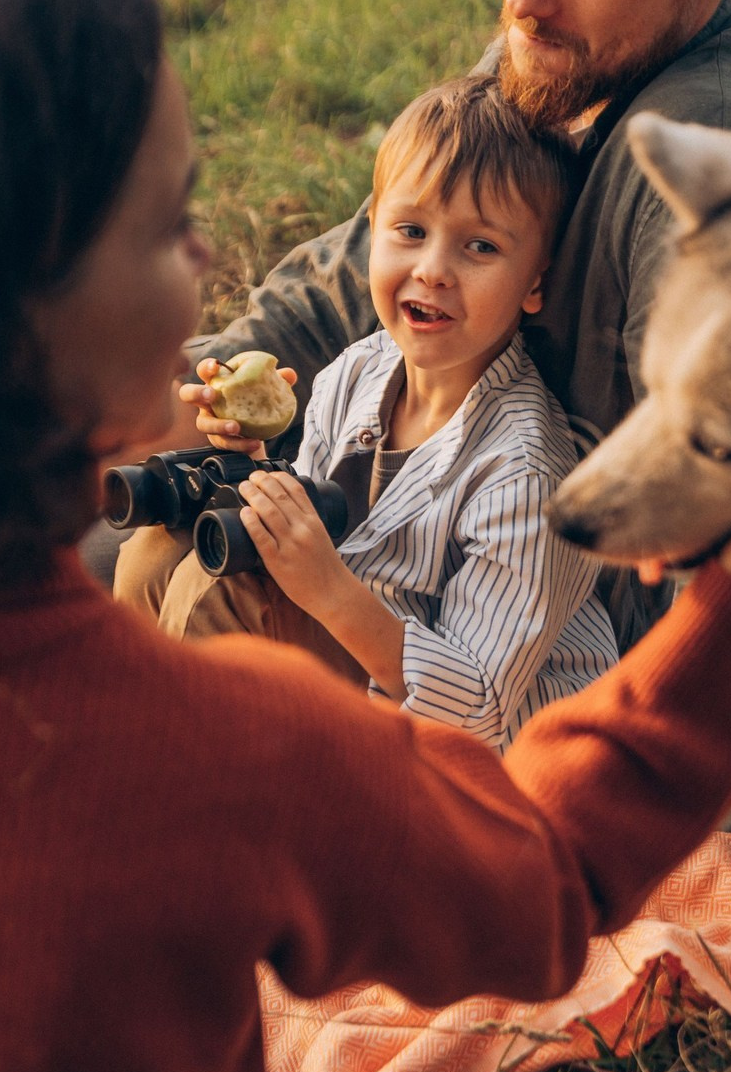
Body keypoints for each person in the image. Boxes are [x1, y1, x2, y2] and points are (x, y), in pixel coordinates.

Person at [0, 0, 731, 1072]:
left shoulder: (502, 451)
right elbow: (544, 878)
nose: (213, 264)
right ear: (40, 311)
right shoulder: (234, 745)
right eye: (173, 227)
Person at [120, 76, 621, 751]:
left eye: (480, 247)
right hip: (355, 677)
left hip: (480, 759)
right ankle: (135, 741)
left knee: (225, 595)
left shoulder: (528, 474)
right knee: (156, 553)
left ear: (536, 282)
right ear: (374, 232)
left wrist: (330, 592)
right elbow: (316, 517)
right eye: (411, 231)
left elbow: (476, 704)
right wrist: (249, 473)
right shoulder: (358, 370)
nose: (433, 270)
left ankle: (189, 797)